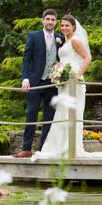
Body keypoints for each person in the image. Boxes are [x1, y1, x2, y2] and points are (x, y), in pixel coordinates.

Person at [32, 14, 92, 160]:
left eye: (67, 25)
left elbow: (87, 58)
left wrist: (77, 75)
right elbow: (67, 58)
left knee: (72, 112)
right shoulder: (65, 41)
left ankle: (72, 147)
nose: (64, 28)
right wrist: (59, 68)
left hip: (73, 82)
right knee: (62, 113)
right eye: (63, 25)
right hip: (64, 82)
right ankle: (61, 146)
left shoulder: (76, 40)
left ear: (73, 27)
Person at [13, 9, 65, 158]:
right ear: (43, 20)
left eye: (52, 20)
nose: (50, 22)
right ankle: (27, 149)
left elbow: (63, 60)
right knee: (31, 114)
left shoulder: (60, 38)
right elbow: (26, 59)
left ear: (56, 22)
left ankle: (43, 149)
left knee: (49, 116)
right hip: (35, 82)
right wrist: (25, 78)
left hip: (52, 83)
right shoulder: (34, 36)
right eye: (47, 19)